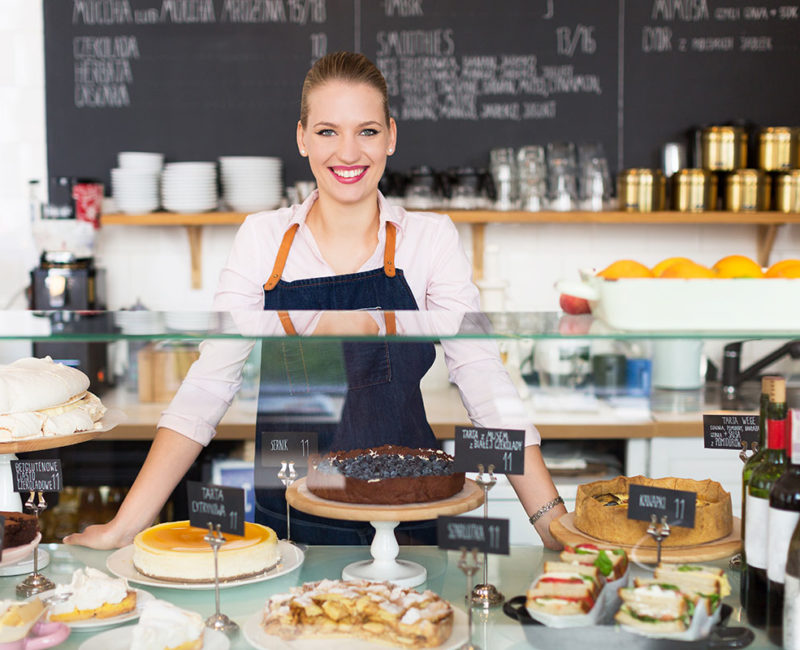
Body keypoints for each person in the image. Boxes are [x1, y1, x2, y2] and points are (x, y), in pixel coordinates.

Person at [65, 51, 566, 550]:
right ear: (302, 137)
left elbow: (484, 383)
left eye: (366, 131)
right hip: (291, 520)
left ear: (391, 135)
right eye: (328, 131)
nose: (348, 153)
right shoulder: (262, 239)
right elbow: (206, 389)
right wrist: (124, 527)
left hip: (409, 513)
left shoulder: (430, 240)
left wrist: (549, 519)